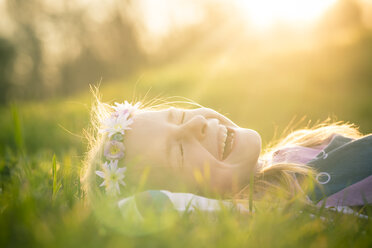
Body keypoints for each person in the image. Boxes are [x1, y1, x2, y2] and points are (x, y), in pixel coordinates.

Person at [82, 96, 372, 224]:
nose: (195, 124)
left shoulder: (285, 155)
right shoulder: (286, 203)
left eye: (179, 116)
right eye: (179, 150)